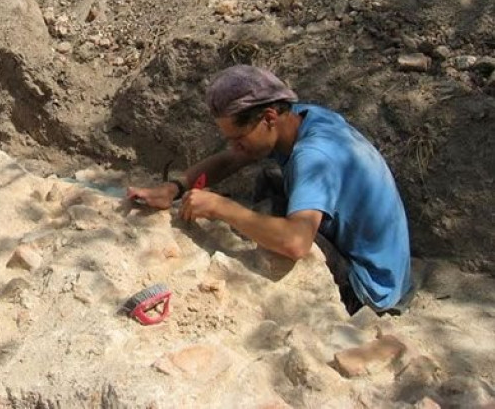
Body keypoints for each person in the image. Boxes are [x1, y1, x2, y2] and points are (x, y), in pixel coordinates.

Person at [127, 64, 412, 315]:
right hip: (384, 265)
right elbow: (233, 158)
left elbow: (297, 243)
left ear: (269, 117)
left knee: (277, 241)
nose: (234, 146)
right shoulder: (301, 117)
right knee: (270, 182)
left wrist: (222, 208)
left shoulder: (314, 156)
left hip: (369, 289)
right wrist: (174, 188)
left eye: (238, 137)